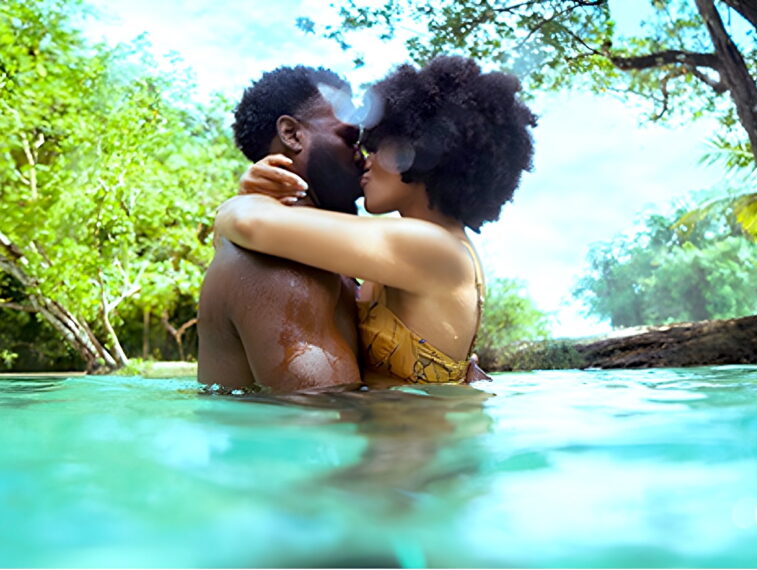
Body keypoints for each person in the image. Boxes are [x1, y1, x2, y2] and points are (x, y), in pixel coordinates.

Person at [216, 55, 536, 386]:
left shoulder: (432, 247)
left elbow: (250, 226)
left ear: (416, 151)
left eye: (376, 146)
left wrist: (235, 203)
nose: (364, 161)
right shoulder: (413, 254)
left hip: (420, 436)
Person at [197, 65, 366, 394]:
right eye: (349, 138)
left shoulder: (320, 256)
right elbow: (326, 430)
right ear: (291, 134)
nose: (363, 156)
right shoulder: (282, 268)